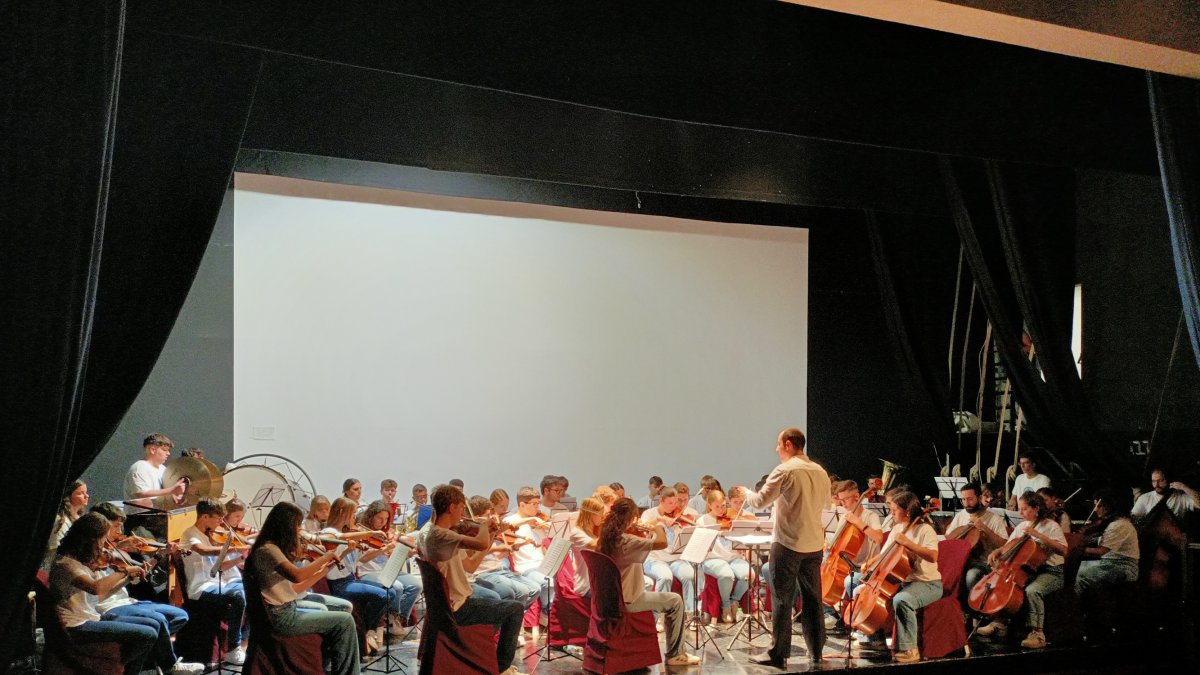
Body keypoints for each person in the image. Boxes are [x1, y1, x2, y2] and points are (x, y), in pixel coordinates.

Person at [736, 427, 830, 669]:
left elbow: (759, 502)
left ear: (788, 444)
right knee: (813, 599)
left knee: (782, 599)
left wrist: (747, 493)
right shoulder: (820, 472)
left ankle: (779, 653)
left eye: (778, 445)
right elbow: (825, 505)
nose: (777, 450)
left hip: (788, 542)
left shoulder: (785, 470)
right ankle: (816, 652)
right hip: (813, 544)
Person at [419, 484, 525, 675]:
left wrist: (493, 533)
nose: (463, 514)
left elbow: (471, 565)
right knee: (514, 609)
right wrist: (484, 525)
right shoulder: (443, 535)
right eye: (461, 508)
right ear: (451, 507)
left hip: (450, 604)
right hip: (457, 607)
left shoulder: (432, 532)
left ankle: (484, 660)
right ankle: (501, 668)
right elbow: (481, 543)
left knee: (503, 606)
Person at [247, 501, 360, 675]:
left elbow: (297, 587)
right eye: (297, 525)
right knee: (345, 621)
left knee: (342, 609)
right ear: (285, 526)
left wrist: (332, 560)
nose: (299, 530)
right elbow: (297, 575)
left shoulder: (273, 548)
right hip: (281, 617)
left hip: (287, 606)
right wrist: (325, 557)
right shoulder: (267, 549)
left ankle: (328, 666)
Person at [90, 503, 203, 674]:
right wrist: (120, 556)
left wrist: (159, 555)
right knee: (159, 620)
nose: (120, 531)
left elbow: (135, 579)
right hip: (109, 606)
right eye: (115, 526)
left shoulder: (115, 551)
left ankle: (151, 650)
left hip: (127, 600)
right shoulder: (94, 552)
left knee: (180, 616)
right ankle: (169, 665)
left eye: (121, 526)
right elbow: (101, 587)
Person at [49, 512, 159, 675]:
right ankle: (111, 670)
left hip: (88, 617)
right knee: (147, 634)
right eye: (102, 539)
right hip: (75, 625)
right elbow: (96, 588)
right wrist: (124, 571)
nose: (104, 544)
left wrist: (128, 577)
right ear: (91, 538)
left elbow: (100, 596)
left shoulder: (79, 561)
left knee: (154, 624)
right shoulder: (65, 564)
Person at [598, 498, 701, 667]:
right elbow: (661, 542)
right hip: (628, 599)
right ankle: (675, 654)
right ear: (631, 518)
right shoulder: (626, 542)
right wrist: (657, 526)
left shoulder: (606, 537)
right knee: (675, 600)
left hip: (609, 597)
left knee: (657, 590)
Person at [975, 491, 1068, 648]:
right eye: (1020, 508)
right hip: (1029, 570)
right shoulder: (1023, 526)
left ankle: (1038, 634)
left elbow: (1064, 550)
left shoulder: (1052, 526)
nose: (1020, 513)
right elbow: (1008, 547)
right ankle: (1000, 621)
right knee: (1006, 587)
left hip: (1051, 572)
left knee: (1033, 590)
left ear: (1036, 508)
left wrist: (1038, 535)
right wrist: (996, 552)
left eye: (1024, 509)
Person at [868, 490, 941, 663]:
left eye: (894, 510)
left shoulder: (925, 530)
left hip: (928, 583)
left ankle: (910, 649)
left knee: (902, 600)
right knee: (859, 588)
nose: (891, 514)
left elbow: (933, 556)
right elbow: (885, 554)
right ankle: (874, 639)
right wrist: (871, 563)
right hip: (904, 581)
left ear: (907, 511)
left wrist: (908, 543)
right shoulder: (897, 529)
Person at [181, 498, 251, 665]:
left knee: (252, 590)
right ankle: (233, 649)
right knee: (237, 597)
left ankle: (245, 642)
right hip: (200, 588)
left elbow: (219, 567)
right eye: (218, 518)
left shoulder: (208, 535)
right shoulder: (190, 534)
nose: (221, 522)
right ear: (204, 517)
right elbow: (203, 551)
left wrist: (241, 557)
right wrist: (234, 548)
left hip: (217, 583)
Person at [322, 497, 391, 654]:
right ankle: (369, 631)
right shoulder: (329, 532)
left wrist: (372, 547)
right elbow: (339, 539)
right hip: (340, 584)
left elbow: (358, 558)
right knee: (383, 595)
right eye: (352, 513)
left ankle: (370, 631)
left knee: (389, 593)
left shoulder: (349, 533)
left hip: (350, 579)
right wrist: (368, 533)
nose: (355, 517)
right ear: (342, 513)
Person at [356, 500, 423, 646]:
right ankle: (391, 621)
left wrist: (406, 552)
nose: (383, 522)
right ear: (371, 516)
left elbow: (392, 557)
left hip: (386, 569)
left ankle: (397, 617)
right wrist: (384, 549)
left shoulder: (387, 533)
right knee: (397, 586)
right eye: (380, 518)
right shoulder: (363, 533)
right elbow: (361, 559)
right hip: (368, 571)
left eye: (386, 519)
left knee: (415, 585)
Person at [827, 480, 885, 637]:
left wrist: (858, 522)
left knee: (850, 581)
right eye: (840, 500)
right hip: (847, 564)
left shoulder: (870, 516)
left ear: (857, 496)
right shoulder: (846, 517)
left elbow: (879, 538)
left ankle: (856, 623)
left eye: (845, 499)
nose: (843, 504)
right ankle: (834, 616)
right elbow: (837, 544)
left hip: (867, 567)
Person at [465, 496, 540, 607]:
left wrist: (497, 535)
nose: (491, 519)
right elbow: (482, 550)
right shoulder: (472, 532)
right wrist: (494, 534)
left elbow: (490, 550)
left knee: (535, 588)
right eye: (487, 516)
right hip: (485, 572)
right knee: (521, 591)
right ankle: (511, 616)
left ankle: (515, 615)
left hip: (498, 569)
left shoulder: (486, 530)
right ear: (476, 517)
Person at [638, 486, 696, 619]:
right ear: (661, 501)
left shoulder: (678, 516)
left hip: (676, 558)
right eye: (670, 503)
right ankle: (659, 616)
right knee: (665, 577)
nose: (674, 506)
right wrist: (659, 520)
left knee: (689, 575)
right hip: (654, 558)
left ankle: (690, 613)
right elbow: (641, 527)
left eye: (675, 503)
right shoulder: (650, 514)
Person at [697, 488, 750, 624]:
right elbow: (700, 545)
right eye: (717, 507)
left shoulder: (730, 519)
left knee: (749, 574)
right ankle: (725, 607)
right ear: (710, 506)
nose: (721, 510)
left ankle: (735, 601)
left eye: (723, 506)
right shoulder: (703, 521)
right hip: (712, 558)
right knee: (726, 575)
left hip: (732, 558)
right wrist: (714, 533)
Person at [1075, 488, 1139, 597]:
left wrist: (1078, 549)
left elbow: (1102, 551)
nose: (1095, 510)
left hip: (1123, 567)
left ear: (1110, 506)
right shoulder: (1112, 523)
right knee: (1075, 567)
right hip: (1110, 562)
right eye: (1095, 506)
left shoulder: (1119, 524)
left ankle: (1080, 609)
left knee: (1080, 574)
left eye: (1099, 506)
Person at [945, 483, 1008, 592]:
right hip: (962, 560)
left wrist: (984, 528)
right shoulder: (961, 515)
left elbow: (1004, 544)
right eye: (963, 499)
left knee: (971, 575)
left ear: (979, 498)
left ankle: (973, 607)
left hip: (984, 562)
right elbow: (949, 539)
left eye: (970, 499)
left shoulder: (994, 518)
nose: (966, 503)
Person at [123, 433, 187, 501]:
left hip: (161, 511)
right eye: (165, 450)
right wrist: (171, 490)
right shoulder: (139, 468)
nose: (168, 453)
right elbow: (141, 494)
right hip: (142, 512)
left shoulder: (163, 469)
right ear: (152, 450)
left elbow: (166, 491)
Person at [44, 479, 89, 569]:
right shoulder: (60, 521)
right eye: (80, 493)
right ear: (68, 496)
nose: (86, 496)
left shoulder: (81, 519)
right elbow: (55, 550)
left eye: (86, 492)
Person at [1131, 468, 1198, 522]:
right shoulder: (1145, 498)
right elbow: (1133, 517)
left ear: (1169, 480)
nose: (1156, 485)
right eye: (1154, 481)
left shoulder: (1181, 497)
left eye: (1161, 480)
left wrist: (1184, 487)